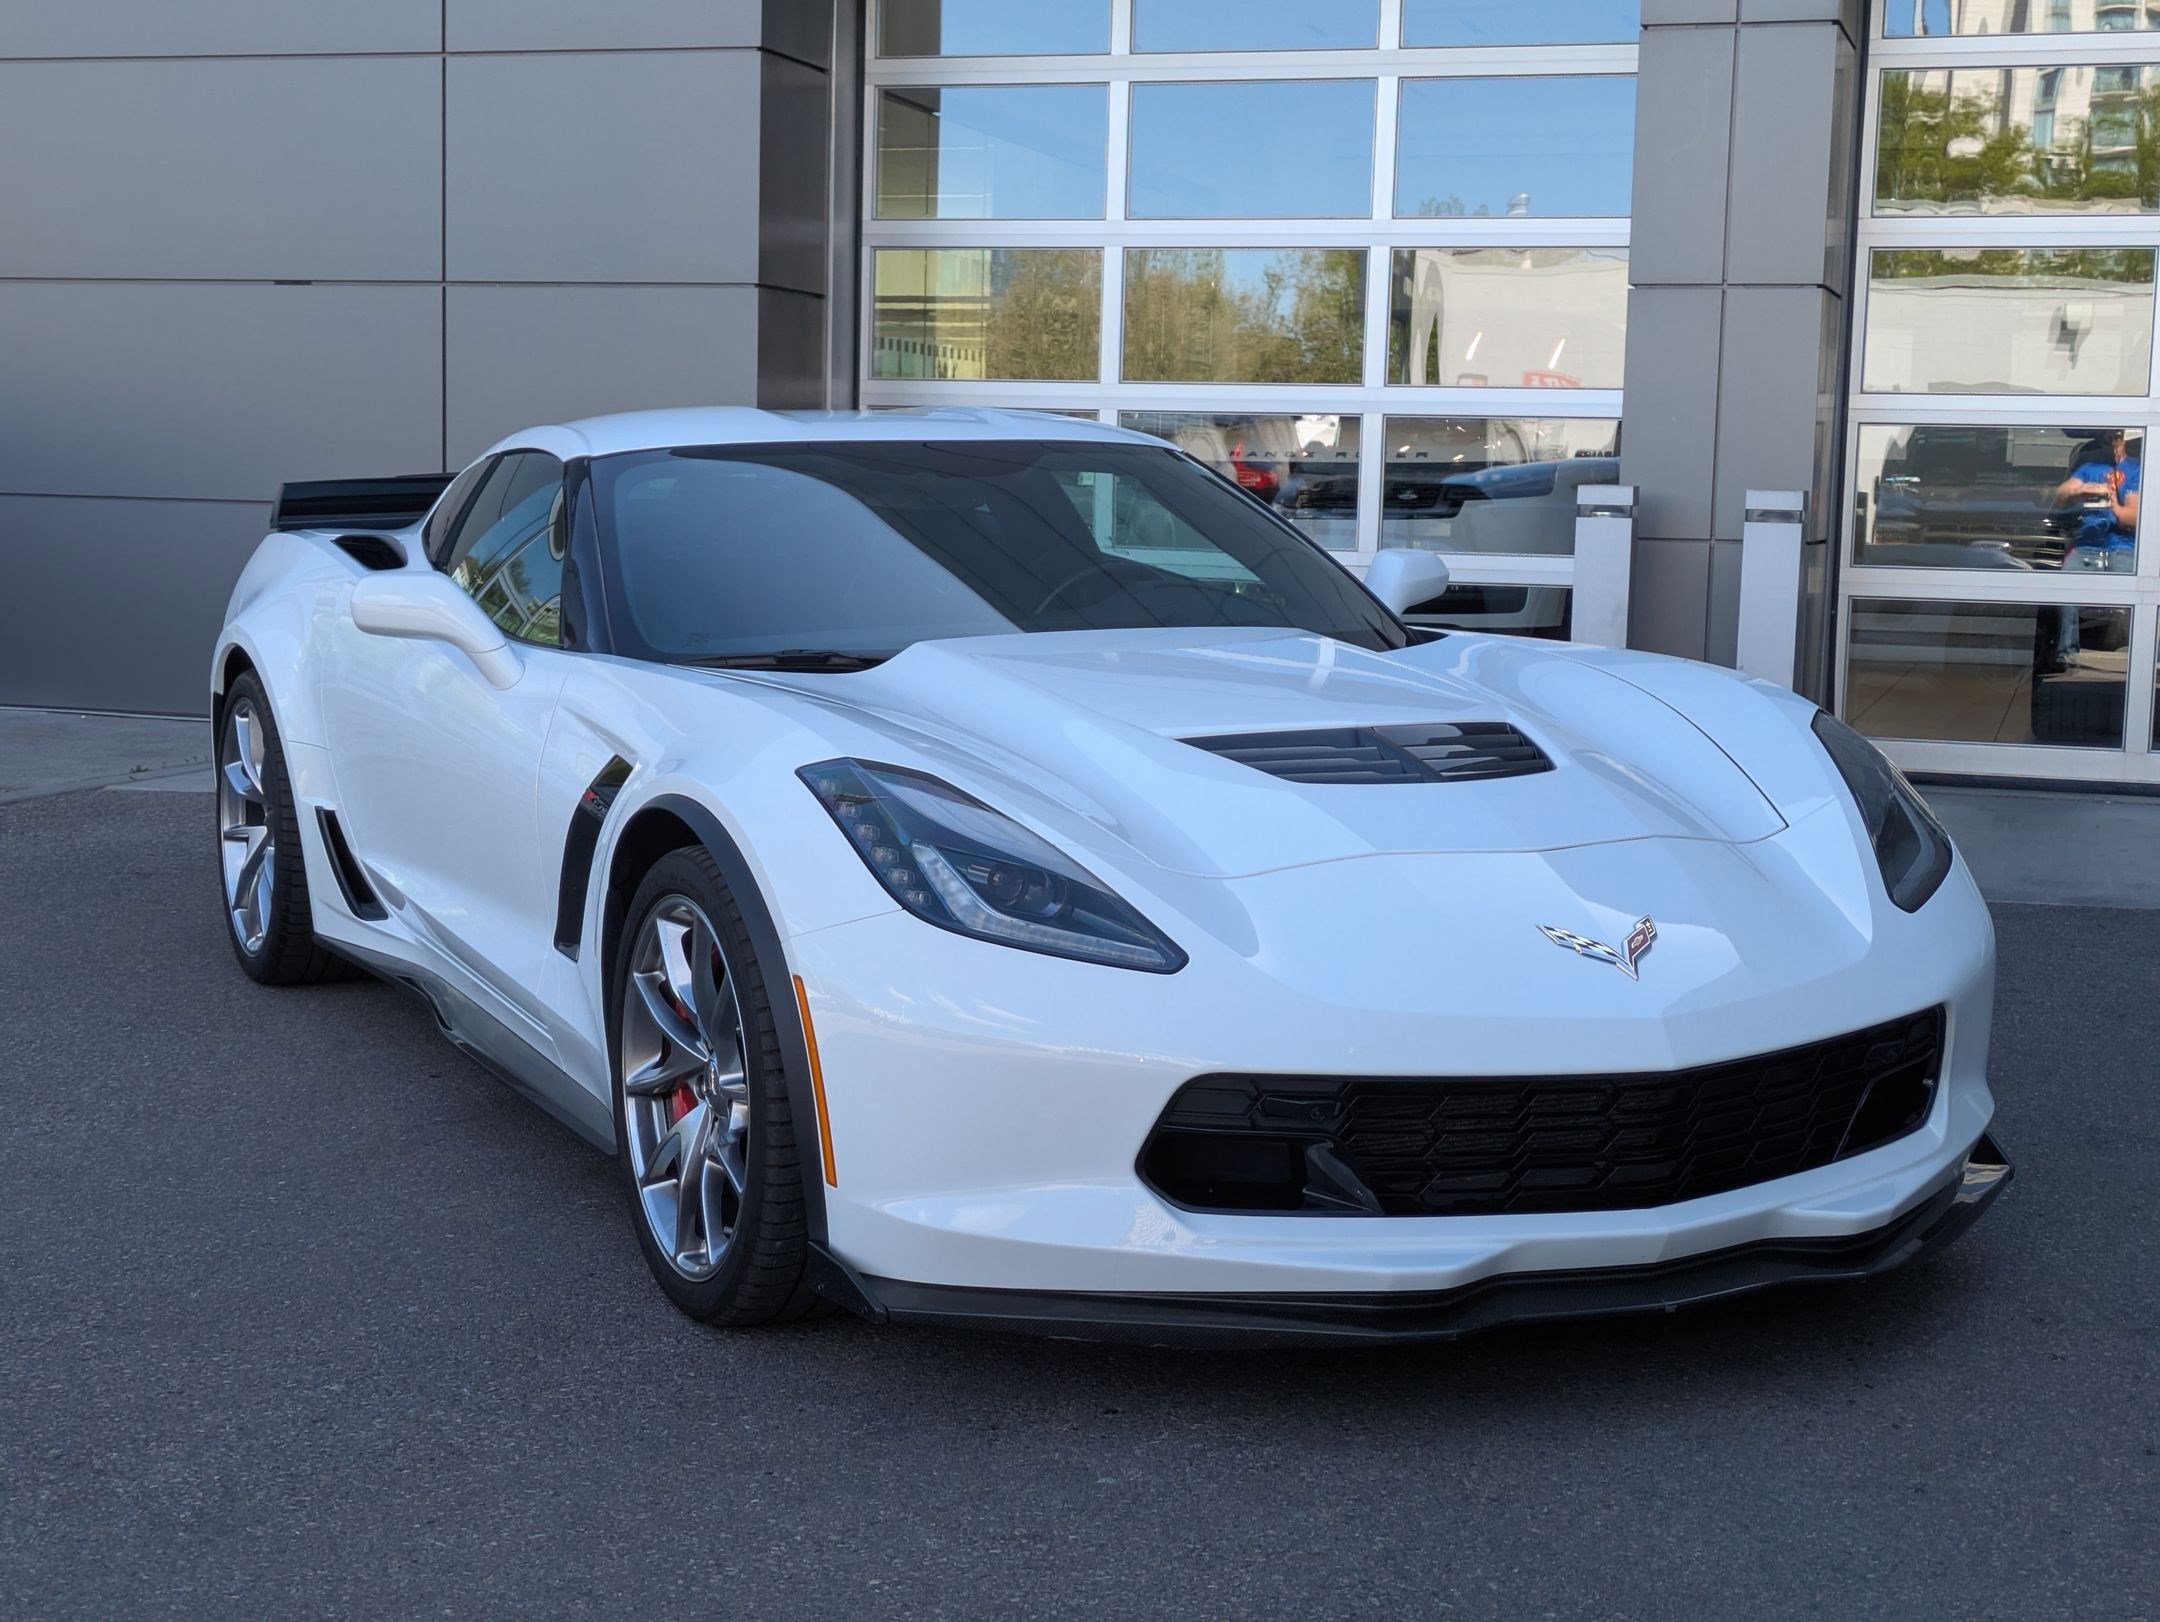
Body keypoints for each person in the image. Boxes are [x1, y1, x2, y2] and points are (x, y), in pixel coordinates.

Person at [2046, 430, 2139, 668]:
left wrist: (2112, 502)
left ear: (2124, 441)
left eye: (2116, 437)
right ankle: (2065, 652)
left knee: (2140, 593)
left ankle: (2143, 655)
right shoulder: (2088, 466)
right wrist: (2082, 490)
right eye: (2107, 437)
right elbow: (2061, 496)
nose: (2111, 442)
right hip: (2087, 544)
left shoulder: (2137, 469)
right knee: (2065, 584)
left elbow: (2133, 517)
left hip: (2124, 547)